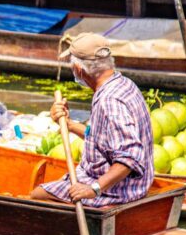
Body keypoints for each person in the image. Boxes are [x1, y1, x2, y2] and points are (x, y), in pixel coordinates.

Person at [30, 33, 154, 207]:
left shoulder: (109, 101)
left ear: (79, 69)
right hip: (124, 183)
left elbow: (130, 158)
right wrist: (69, 124)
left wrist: (94, 188)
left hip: (120, 190)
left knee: (37, 195)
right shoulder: (124, 83)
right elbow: (101, 139)